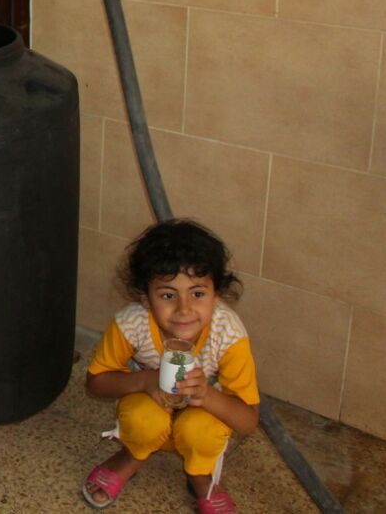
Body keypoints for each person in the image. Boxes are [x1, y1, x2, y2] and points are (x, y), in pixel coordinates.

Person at [82, 219, 260, 513]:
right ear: (145, 298)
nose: (184, 309)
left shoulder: (228, 334)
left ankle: (200, 474)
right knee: (142, 419)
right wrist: (145, 381)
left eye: (198, 293)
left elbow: (248, 422)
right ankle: (133, 456)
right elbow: (95, 383)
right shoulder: (132, 323)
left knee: (200, 429)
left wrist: (208, 396)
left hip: (200, 420)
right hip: (151, 410)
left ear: (217, 294)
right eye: (167, 295)